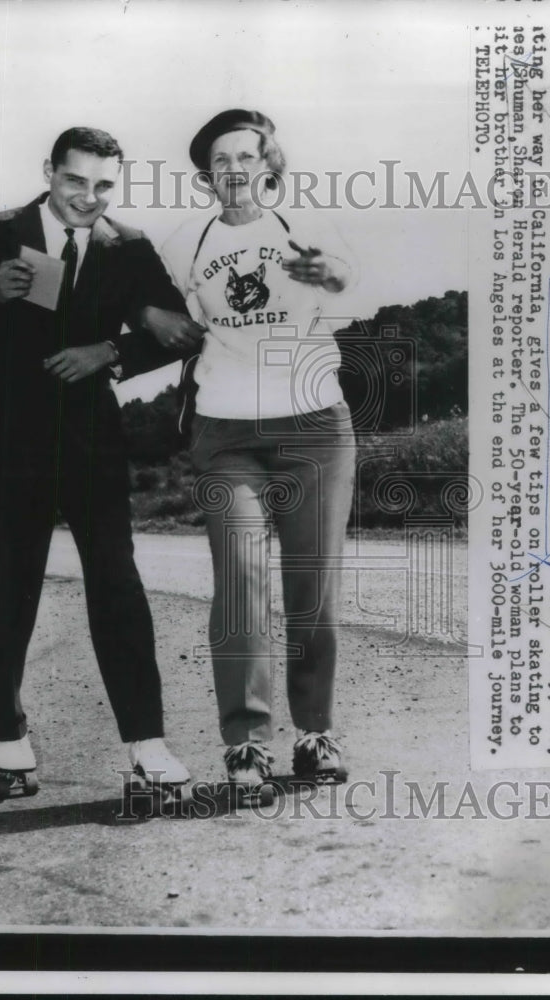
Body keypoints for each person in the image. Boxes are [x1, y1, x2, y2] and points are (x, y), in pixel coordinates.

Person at [0, 127, 203, 799]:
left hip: (88, 441)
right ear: (49, 172)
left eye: (104, 185)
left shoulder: (126, 247)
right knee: (0, 592)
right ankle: (7, 745)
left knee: (117, 586)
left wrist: (111, 352)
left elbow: (176, 329)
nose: (88, 198)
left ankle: (148, 745)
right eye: (75, 181)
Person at [158, 110, 357, 800]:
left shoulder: (302, 224)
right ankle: (245, 743)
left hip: (313, 428)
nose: (235, 171)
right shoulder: (188, 242)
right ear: (205, 174)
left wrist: (323, 270)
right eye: (220, 161)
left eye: (246, 157)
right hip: (225, 434)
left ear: (267, 166)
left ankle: (314, 733)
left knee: (313, 588)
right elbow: (167, 324)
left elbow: (340, 276)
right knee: (240, 585)